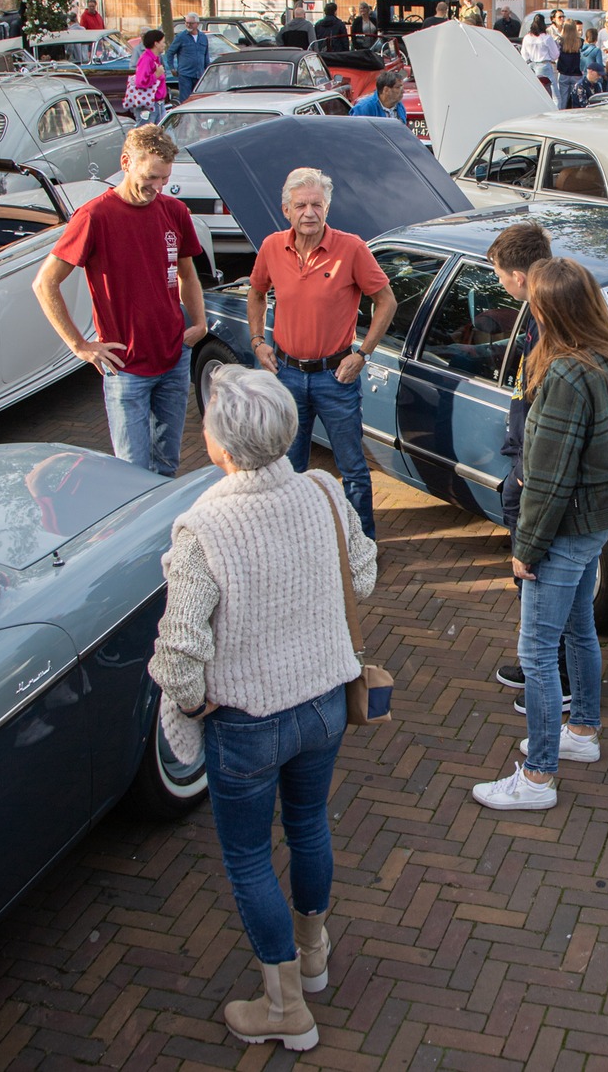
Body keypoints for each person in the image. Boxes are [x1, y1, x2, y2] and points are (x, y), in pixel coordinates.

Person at [147, 363, 375, 1051]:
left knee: (249, 857)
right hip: (325, 704)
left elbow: (178, 653)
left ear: (219, 443)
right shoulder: (325, 491)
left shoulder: (203, 525)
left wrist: (193, 699)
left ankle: (283, 1009)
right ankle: (314, 956)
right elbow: (362, 577)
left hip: (245, 722)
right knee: (307, 826)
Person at [473, 257, 608, 811]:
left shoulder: (565, 374)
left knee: (539, 653)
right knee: (579, 629)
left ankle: (538, 777)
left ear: (550, 310)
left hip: (567, 525)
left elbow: (546, 476)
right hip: (601, 519)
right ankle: (583, 733)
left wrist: (526, 549)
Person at [35, 125, 208, 474]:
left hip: (173, 358)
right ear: (126, 162)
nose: (157, 187)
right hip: (125, 367)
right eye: (151, 177)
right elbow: (44, 284)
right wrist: (80, 346)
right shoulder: (94, 216)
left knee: (167, 464)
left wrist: (200, 323)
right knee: (131, 472)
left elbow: (189, 274)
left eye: (164, 179)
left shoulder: (173, 211)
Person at [248, 167, 395, 539]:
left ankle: (362, 543)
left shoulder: (352, 248)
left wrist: (362, 353)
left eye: (316, 204)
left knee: (353, 468)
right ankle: (295, 542)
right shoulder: (271, 247)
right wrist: (257, 341)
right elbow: (255, 292)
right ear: (286, 210)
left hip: (336, 377)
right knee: (289, 466)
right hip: (287, 375)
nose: (309, 212)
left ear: (327, 207)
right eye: (301, 205)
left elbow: (386, 301)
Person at [481, 223, 575, 713]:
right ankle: (540, 661)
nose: (499, 283)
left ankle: (553, 677)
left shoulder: (546, 325)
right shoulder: (557, 311)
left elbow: (544, 408)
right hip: (527, 462)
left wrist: (521, 469)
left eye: (498, 273)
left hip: (531, 469)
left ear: (518, 275)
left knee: (536, 574)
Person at [164, 13, 213, 102]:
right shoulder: (181, 37)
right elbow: (170, 52)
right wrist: (172, 68)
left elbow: (206, 55)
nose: (188, 25)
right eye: (186, 23)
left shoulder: (203, 37)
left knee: (198, 99)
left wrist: (207, 71)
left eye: (191, 23)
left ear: (197, 24)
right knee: (186, 100)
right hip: (185, 74)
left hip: (199, 74)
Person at [124, 28, 169, 121]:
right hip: (149, 105)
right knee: (146, 134)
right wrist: (156, 75)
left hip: (158, 103)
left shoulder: (155, 58)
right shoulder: (146, 59)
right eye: (163, 42)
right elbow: (140, 82)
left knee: (164, 132)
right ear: (156, 44)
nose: (165, 45)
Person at [521, 14, 559, 94]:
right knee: (554, 93)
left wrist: (529, 61)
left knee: (535, 91)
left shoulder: (527, 37)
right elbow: (555, 54)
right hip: (544, 65)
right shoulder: (547, 38)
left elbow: (523, 54)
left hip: (531, 65)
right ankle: (556, 107)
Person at [554, 20, 585, 108]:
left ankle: (561, 116)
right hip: (577, 74)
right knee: (576, 98)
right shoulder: (581, 42)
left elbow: (555, 55)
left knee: (563, 99)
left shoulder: (560, 41)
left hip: (564, 73)